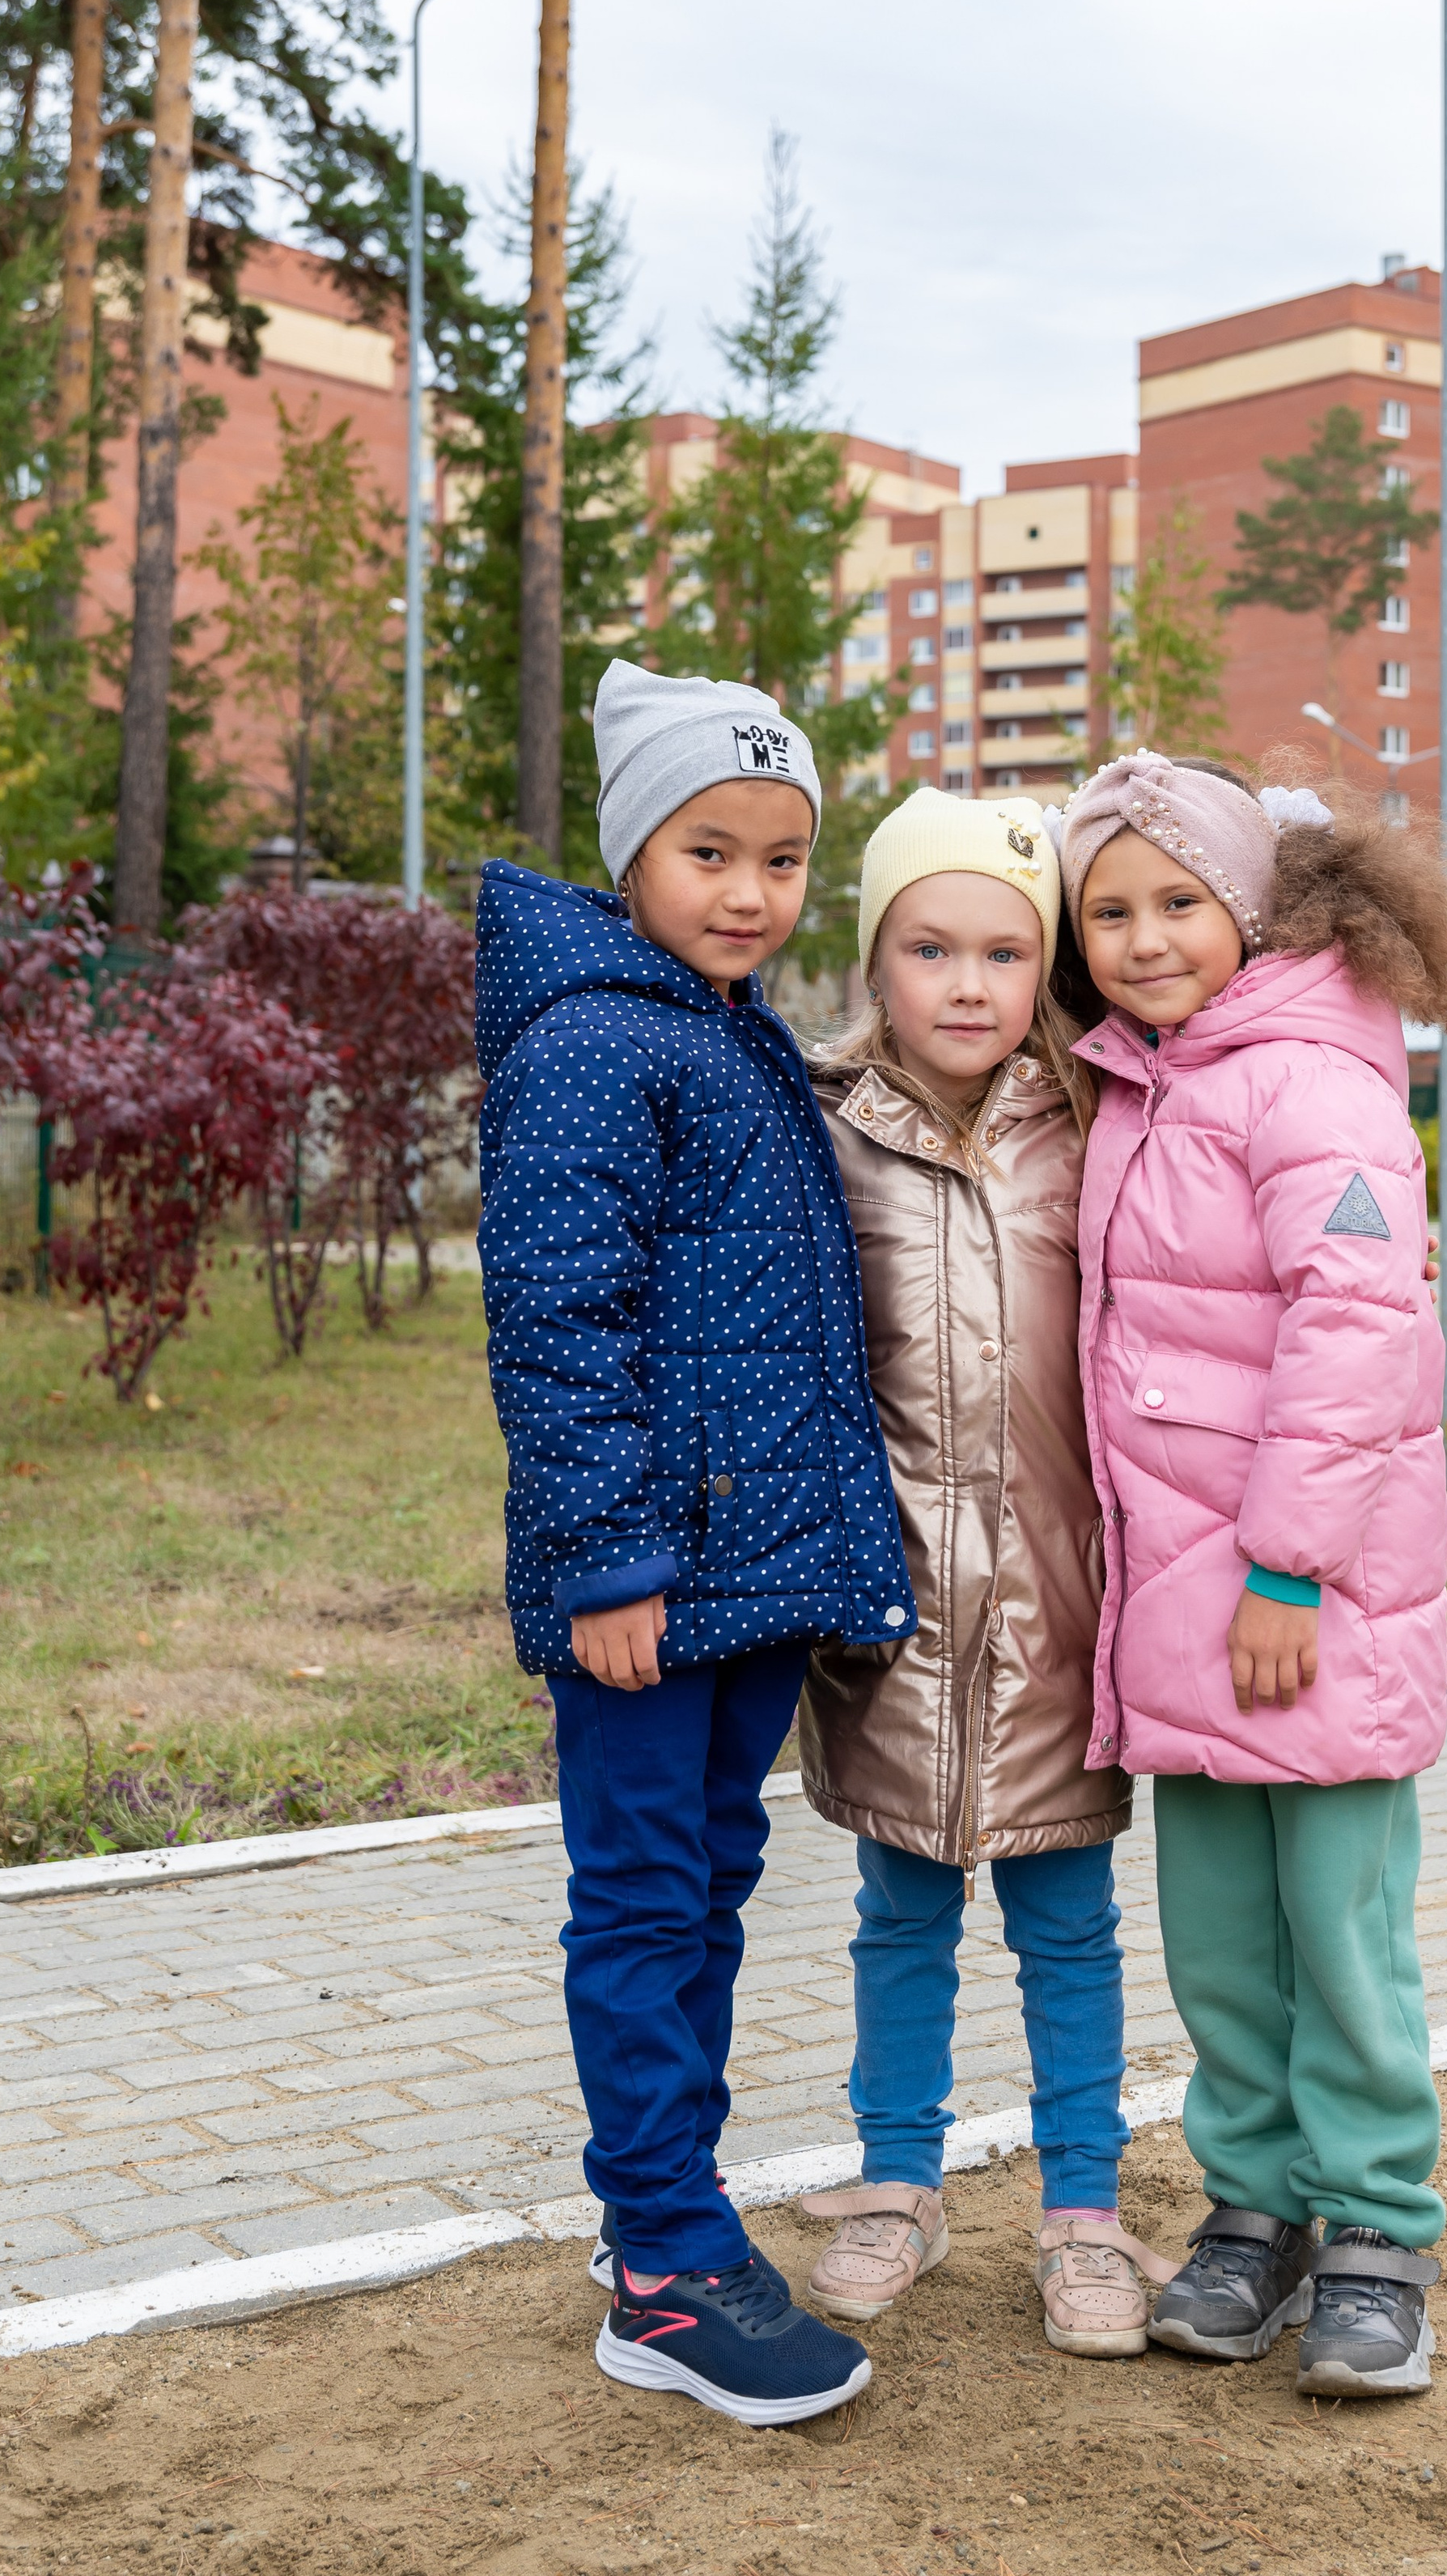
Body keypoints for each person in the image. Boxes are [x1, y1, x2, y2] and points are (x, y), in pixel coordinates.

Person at [476, 663, 917, 2430]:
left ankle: (660, 2205)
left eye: (783, 857)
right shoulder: (595, 1040)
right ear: (631, 853)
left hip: (736, 1576)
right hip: (650, 1583)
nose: (747, 890)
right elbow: (559, 1319)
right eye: (708, 850)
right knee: (647, 1904)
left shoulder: (713, 1027)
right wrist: (606, 1563)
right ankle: (663, 2270)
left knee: (704, 1891)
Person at [1059, 749, 1447, 2399]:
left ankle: (1378, 2224)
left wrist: (1288, 1572)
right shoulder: (1141, 1080)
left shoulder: (1310, 1079)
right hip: (1184, 1608)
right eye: (1107, 908)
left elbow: (1357, 1328)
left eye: (1177, 901)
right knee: (1223, 1944)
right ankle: (1255, 2207)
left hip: (1300, 1604)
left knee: (1340, 1932)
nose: (1144, 934)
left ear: (1250, 910)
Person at [796, 787, 1176, 2358]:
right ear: (876, 956)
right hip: (886, 1613)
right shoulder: (816, 1117)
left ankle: (1082, 2208)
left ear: (1043, 969)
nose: (966, 984)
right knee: (897, 1911)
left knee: (1069, 1923)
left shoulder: (1093, 1120)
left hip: (1057, 1607)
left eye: (1003, 951)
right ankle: (896, 2178)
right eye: (929, 947)